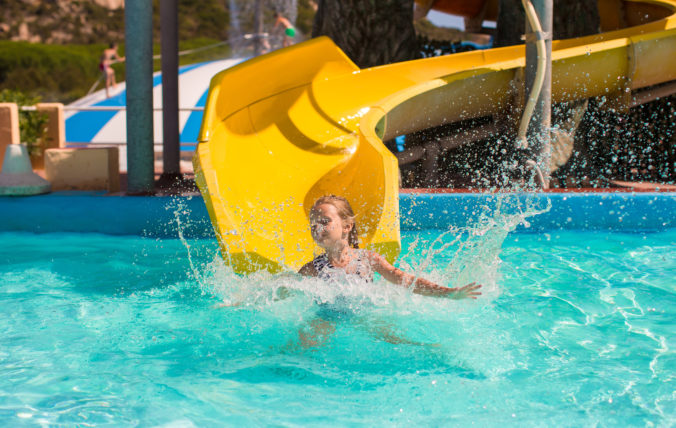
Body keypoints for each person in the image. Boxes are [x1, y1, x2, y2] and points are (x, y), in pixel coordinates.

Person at [299, 195, 483, 299]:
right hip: (326, 318)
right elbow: (283, 291)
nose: (317, 227)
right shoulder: (311, 269)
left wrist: (448, 293)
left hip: (365, 317)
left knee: (400, 341)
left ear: (347, 226)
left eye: (324, 221)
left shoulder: (367, 260)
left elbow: (406, 280)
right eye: (313, 223)